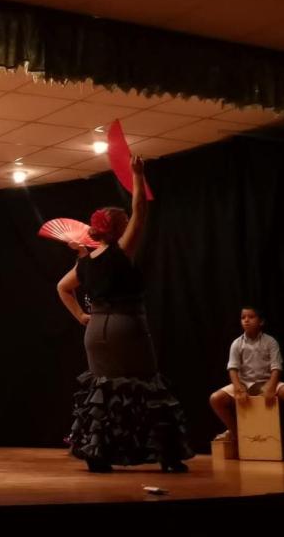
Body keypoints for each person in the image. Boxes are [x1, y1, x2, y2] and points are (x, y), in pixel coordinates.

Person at [57, 155, 193, 473]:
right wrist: (137, 176)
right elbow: (141, 212)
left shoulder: (85, 261)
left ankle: (98, 453)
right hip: (125, 325)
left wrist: (80, 316)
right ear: (117, 230)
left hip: (96, 330)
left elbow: (62, 288)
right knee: (146, 386)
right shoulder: (121, 251)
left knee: (103, 390)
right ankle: (168, 456)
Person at [208, 306, 284, 463]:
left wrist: (271, 386)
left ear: (261, 322)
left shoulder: (270, 342)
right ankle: (237, 433)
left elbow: (276, 367)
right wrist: (238, 387)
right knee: (215, 399)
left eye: (251, 317)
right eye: (243, 317)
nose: (246, 320)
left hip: (266, 382)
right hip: (245, 383)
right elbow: (232, 368)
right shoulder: (237, 343)